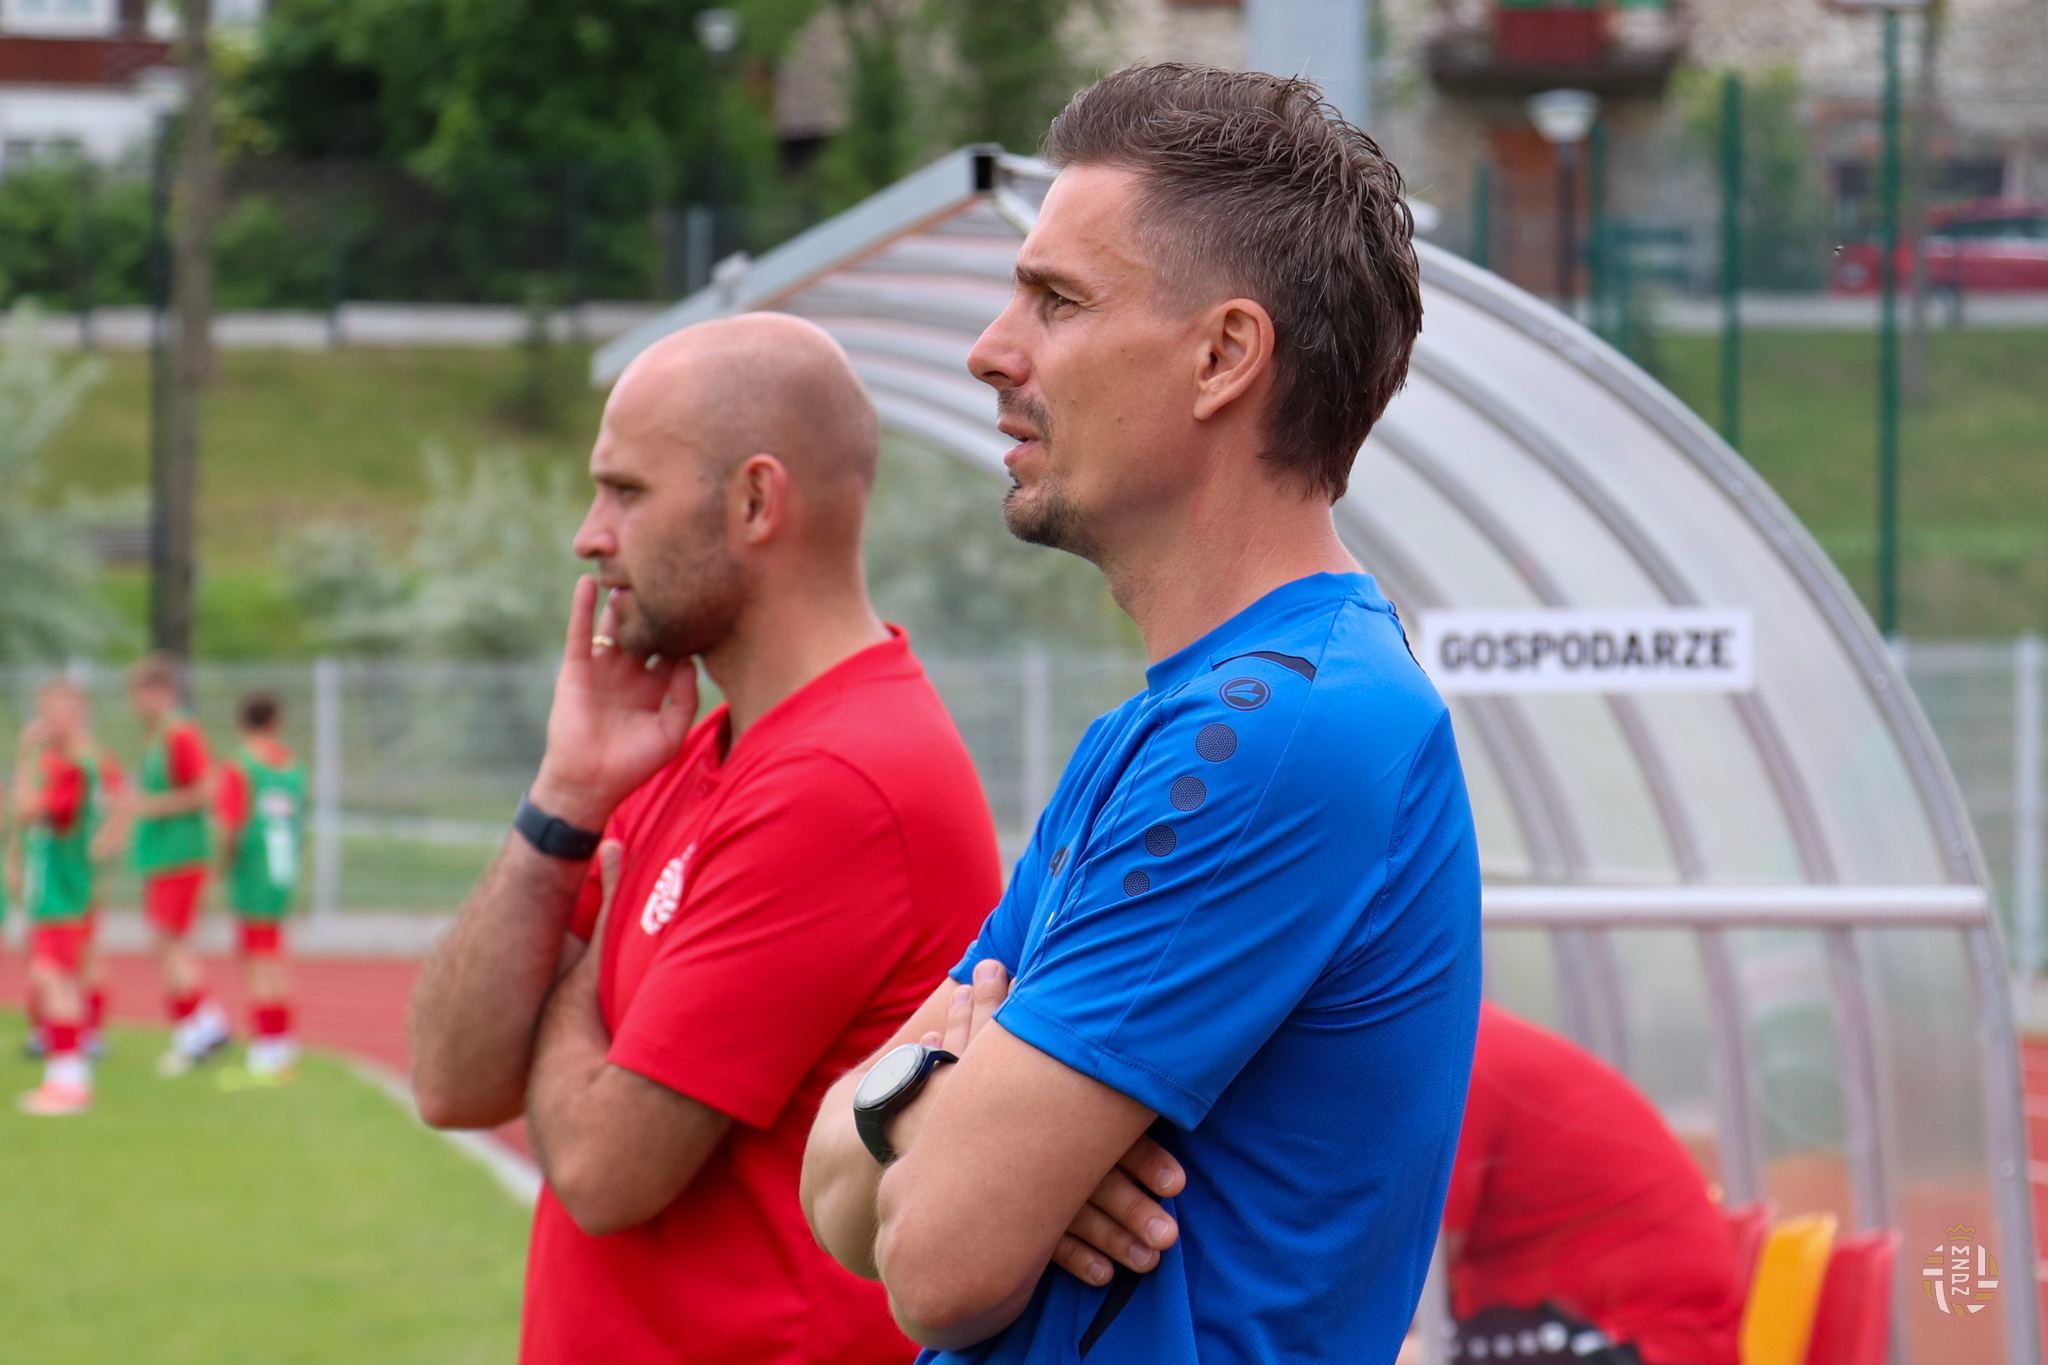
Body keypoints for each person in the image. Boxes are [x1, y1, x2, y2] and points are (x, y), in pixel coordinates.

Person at [801, 63, 1479, 1364]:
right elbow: (834, 1199)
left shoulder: (1269, 734)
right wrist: (939, 1099)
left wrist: (951, 1117)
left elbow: (933, 1264)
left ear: (1223, 356)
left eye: (1055, 300)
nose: (989, 350)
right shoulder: (1168, 728)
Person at [408, 312, 1003, 1365]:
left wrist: (570, 985)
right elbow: (453, 1078)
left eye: (626, 491)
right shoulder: (701, 748)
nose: (590, 535)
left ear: (755, 501)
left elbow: (601, 1170)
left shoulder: (843, 780)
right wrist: (563, 798)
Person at [1441, 1003, 1745, 1365]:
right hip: (1630, 1330)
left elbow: (1412, 1271)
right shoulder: (1463, 1035)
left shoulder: (1455, 1058)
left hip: (1639, 1342)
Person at [13, 679, 119, 1115]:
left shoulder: (75, 768)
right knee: (52, 977)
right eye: (45, 710)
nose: (47, 721)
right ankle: (67, 1077)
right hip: (51, 887)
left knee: (54, 977)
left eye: (57, 711)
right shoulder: (59, 763)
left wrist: (22, 756)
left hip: (64, 889)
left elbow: (29, 810)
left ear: (77, 714)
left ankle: (70, 1081)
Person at [128, 652, 231, 1076]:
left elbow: (207, 788)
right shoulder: (158, 735)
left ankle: (195, 1034)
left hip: (181, 857)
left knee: (166, 945)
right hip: (163, 858)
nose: (135, 703)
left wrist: (152, 806)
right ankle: (207, 1025)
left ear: (162, 691)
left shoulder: (180, 733)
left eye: (140, 693)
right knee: (167, 947)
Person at [213, 691, 308, 1086]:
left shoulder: (240, 766)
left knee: (257, 957)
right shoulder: (293, 766)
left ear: (242, 722)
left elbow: (230, 824)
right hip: (282, 863)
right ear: (275, 722)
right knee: (273, 951)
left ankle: (269, 1044)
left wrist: (221, 865)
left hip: (252, 866)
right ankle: (280, 1039)